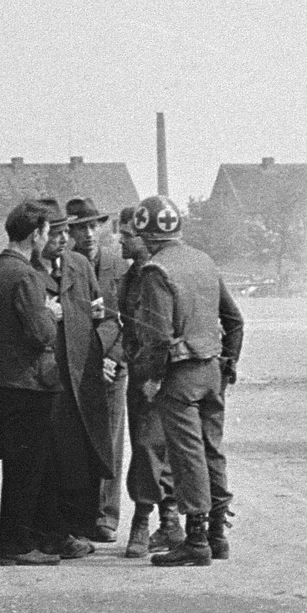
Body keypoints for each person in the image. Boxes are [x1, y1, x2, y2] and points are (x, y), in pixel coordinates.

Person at [130, 196, 245, 565]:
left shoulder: (155, 271)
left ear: (146, 235)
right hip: (212, 370)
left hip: (179, 376)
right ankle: (217, 535)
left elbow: (158, 337)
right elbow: (235, 320)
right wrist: (228, 362)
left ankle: (195, 541)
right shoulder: (204, 261)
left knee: (186, 454)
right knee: (212, 450)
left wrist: (150, 377)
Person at [0, 201, 66, 565]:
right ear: (35, 234)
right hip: (28, 386)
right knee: (26, 469)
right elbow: (39, 334)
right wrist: (52, 313)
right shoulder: (26, 276)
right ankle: (15, 545)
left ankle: (31, 538)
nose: (48, 238)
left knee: (21, 465)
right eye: (47, 232)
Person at [40, 200, 112, 551]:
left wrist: (104, 352)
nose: (65, 238)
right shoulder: (28, 270)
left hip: (84, 373)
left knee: (87, 449)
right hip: (50, 378)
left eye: (65, 231)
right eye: (56, 232)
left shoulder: (79, 265)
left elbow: (103, 314)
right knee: (55, 453)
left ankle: (83, 525)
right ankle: (58, 530)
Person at [115, 205, 181, 557]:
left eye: (126, 235)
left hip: (163, 375)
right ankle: (165, 521)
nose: (121, 241)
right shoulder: (128, 279)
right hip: (138, 375)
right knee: (148, 446)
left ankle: (149, 518)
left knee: (153, 445)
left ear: (143, 237)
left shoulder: (164, 273)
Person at [68, 196, 127, 541]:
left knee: (111, 441)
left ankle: (106, 516)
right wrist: (88, 361)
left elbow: (127, 321)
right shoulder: (65, 265)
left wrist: (112, 358)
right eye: (80, 227)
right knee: (76, 439)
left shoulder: (119, 268)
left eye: (93, 225)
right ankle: (79, 514)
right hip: (79, 366)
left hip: (111, 367)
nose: (88, 233)